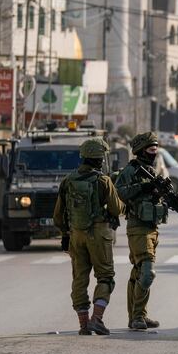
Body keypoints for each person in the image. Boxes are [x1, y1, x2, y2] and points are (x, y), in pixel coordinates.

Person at [53, 137, 124, 336]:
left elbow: (58, 216)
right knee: (105, 277)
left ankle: (84, 325)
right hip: (99, 234)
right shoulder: (104, 181)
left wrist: (65, 235)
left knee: (79, 279)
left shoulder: (68, 180)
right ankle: (97, 319)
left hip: (76, 235)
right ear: (100, 159)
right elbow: (116, 209)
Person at [115, 132, 166, 331]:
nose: (154, 153)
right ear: (141, 150)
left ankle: (139, 316)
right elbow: (119, 192)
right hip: (138, 227)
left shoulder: (152, 170)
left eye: (156, 149)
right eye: (151, 149)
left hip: (152, 227)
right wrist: (143, 187)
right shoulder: (131, 170)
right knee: (147, 273)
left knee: (139, 272)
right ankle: (136, 316)